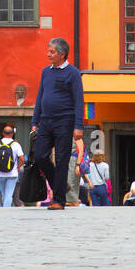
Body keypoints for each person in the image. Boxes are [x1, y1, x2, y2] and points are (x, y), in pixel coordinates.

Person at [30, 37, 85, 211]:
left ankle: (59, 200)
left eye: (52, 52)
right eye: (48, 51)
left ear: (62, 54)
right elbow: (40, 96)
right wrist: (34, 121)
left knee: (62, 160)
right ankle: (60, 185)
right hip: (46, 120)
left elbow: (79, 100)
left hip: (65, 121)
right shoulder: (46, 71)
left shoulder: (73, 73)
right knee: (39, 156)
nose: (48, 54)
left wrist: (78, 126)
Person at [0, 123, 25, 206]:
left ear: (3, 133)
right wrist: (18, 167)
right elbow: (22, 158)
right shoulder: (16, 144)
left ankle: (5, 207)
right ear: (12, 134)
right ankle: (6, 210)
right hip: (12, 172)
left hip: (0, 172)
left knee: (4, 193)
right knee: (9, 193)